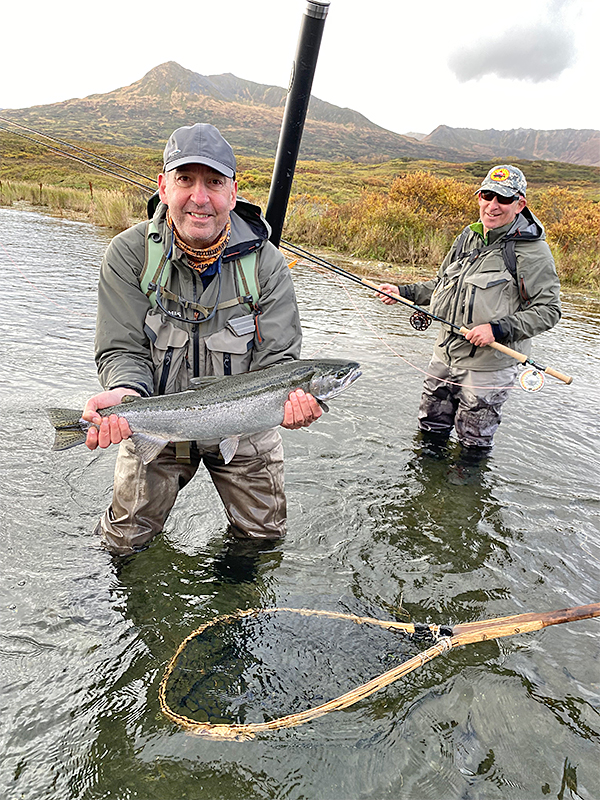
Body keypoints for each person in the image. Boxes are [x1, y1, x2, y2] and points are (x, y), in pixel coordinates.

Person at [83, 122, 322, 556]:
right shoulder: (129, 254)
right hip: (158, 415)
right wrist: (125, 391)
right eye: (185, 180)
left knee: (264, 542)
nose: (199, 197)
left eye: (213, 182)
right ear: (163, 186)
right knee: (124, 542)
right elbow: (121, 348)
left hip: (244, 423)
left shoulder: (266, 264)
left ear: (233, 192)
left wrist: (287, 405)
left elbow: (279, 361)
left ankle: (236, 606)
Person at [377, 164, 561, 452]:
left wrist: (497, 330)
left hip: (488, 369)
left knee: (472, 447)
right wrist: (404, 292)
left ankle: (465, 496)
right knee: (429, 435)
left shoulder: (533, 251)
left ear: (520, 204)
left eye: (503, 199)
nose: (492, 205)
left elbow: (549, 310)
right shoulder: (468, 236)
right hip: (444, 357)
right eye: (487, 196)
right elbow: (441, 283)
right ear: (479, 197)